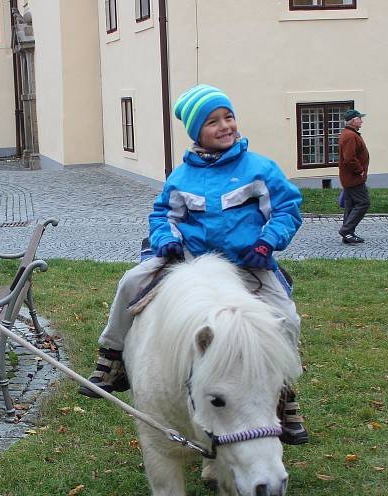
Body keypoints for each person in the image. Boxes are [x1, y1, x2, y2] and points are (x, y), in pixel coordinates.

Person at [79, 84, 309, 445]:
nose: (225, 126)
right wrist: (166, 240)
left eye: (228, 117)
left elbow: (286, 209)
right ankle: (112, 357)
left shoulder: (259, 168)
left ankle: (282, 389)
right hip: (190, 263)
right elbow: (162, 214)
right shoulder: (182, 177)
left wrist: (266, 244)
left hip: (247, 264)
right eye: (213, 121)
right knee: (131, 281)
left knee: (286, 318)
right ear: (197, 132)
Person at [338, 109, 370, 244]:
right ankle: (346, 230)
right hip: (353, 177)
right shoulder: (350, 136)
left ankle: (348, 234)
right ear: (353, 120)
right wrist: (360, 171)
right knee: (363, 202)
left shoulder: (350, 134)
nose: (361, 121)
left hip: (350, 177)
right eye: (359, 118)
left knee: (350, 205)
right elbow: (349, 158)